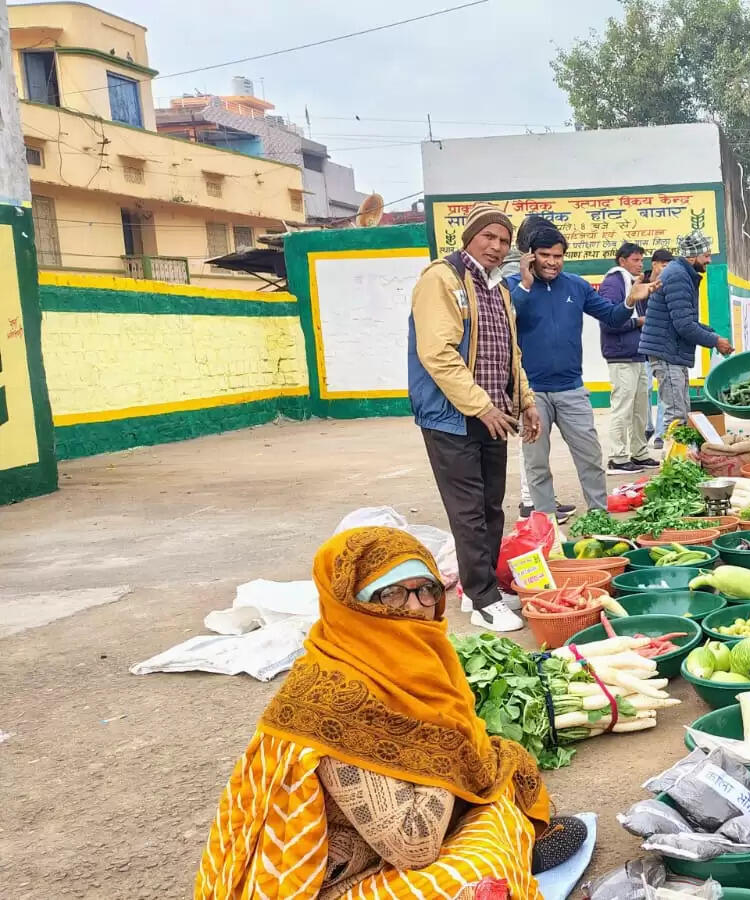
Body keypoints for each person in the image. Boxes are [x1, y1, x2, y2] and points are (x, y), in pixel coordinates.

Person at [195, 527, 555, 898]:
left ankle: (514, 849)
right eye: (392, 594)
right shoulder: (335, 702)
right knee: (473, 870)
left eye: (426, 589)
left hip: (398, 828)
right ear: (350, 604)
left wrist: (450, 744)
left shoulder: (418, 665)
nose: (415, 607)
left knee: (501, 784)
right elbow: (414, 845)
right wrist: (445, 739)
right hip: (334, 875)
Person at [407, 203, 541, 633]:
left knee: (490, 506)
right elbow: (437, 353)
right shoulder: (441, 279)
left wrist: (526, 401)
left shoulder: (498, 289)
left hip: (493, 415)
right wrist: (480, 405)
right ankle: (483, 599)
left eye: (504, 241)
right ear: (469, 238)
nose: (497, 247)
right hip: (452, 416)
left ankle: (477, 587)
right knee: (467, 510)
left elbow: (510, 355)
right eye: (489, 237)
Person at [509, 223, 656, 523]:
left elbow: (612, 317)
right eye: (544, 255)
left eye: (558, 255)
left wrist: (630, 301)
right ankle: (546, 524)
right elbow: (508, 318)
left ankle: (599, 518)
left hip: (571, 389)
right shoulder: (514, 286)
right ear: (530, 256)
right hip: (531, 393)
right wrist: (524, 284)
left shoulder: (576, 286)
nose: (552, 261)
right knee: (536, 464)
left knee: (589, 457)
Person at [640, 230, 734, 433]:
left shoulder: (681, 273)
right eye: (706, 256)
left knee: (682, 410)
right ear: (692, 256)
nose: (709, 260)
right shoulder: (677, 276)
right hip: (667, 352)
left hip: (672, 352)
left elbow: (686, 320)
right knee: (676, 415)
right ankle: (673, 460)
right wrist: (715, 341)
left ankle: (679, 457)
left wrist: (713, 334)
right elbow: (684, 326)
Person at [599, 241, 658, 475]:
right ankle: (617, 457)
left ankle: (639, 452)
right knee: (623, 408)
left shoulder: (635, 283)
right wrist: (637, 322)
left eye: (641, 260)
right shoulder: (613, 282)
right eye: (635, 260)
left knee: (640, 409)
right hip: (620, 356)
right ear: (622, 261)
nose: (639, 264)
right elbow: (608, 321)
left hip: (638, 355)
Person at [645, 248, 675, 447]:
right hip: (641, 347)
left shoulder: (669, 285)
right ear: (654, 264)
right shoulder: (640, 284)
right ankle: (647, 427)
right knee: (645, 389)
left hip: (661, 346)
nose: (666, 269)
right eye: (663, 266)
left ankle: (660, 434)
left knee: (665, 390)